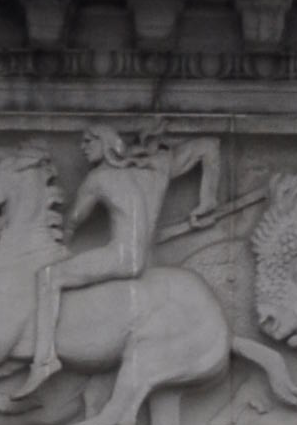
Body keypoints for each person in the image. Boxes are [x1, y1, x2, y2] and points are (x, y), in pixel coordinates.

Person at [17, 129, 221, 397]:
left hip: (121, 255)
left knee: (49, 276)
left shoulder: (97, 178)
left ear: (108, 143)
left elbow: (74, 220)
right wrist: (208, 199)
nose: (83, 147)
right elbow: (209, 146)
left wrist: (61, 241)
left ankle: (44, 361)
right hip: (146, 260)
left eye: (90, 141)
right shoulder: (157, 169)